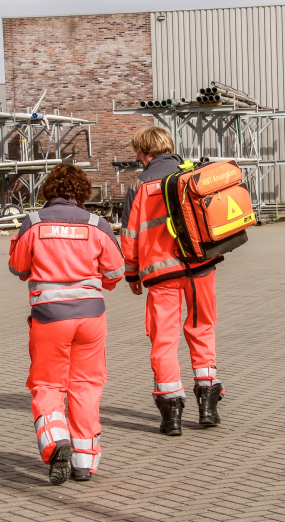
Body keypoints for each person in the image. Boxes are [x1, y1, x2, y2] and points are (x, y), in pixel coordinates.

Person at [8, 163, 124, 485]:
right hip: (91, 317)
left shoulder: (33, 222)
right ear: (82, 192)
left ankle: (56, 440)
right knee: (86, 387)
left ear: (49, 191)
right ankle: (84, 463)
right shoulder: (96, 224)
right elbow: (116, 272)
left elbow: (18, 268)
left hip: (49, 318)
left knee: (48, 385)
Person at [120, 126, 225, 437]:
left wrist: (130, 273)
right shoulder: (191, 174)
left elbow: (129, 235)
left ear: (146, 151)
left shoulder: (139, 185)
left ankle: (171, 413)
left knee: (163, 340)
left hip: (161, 274)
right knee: (202, 329)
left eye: (137, 152)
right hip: (201, 268)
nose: (137, 159)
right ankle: (207, 405)